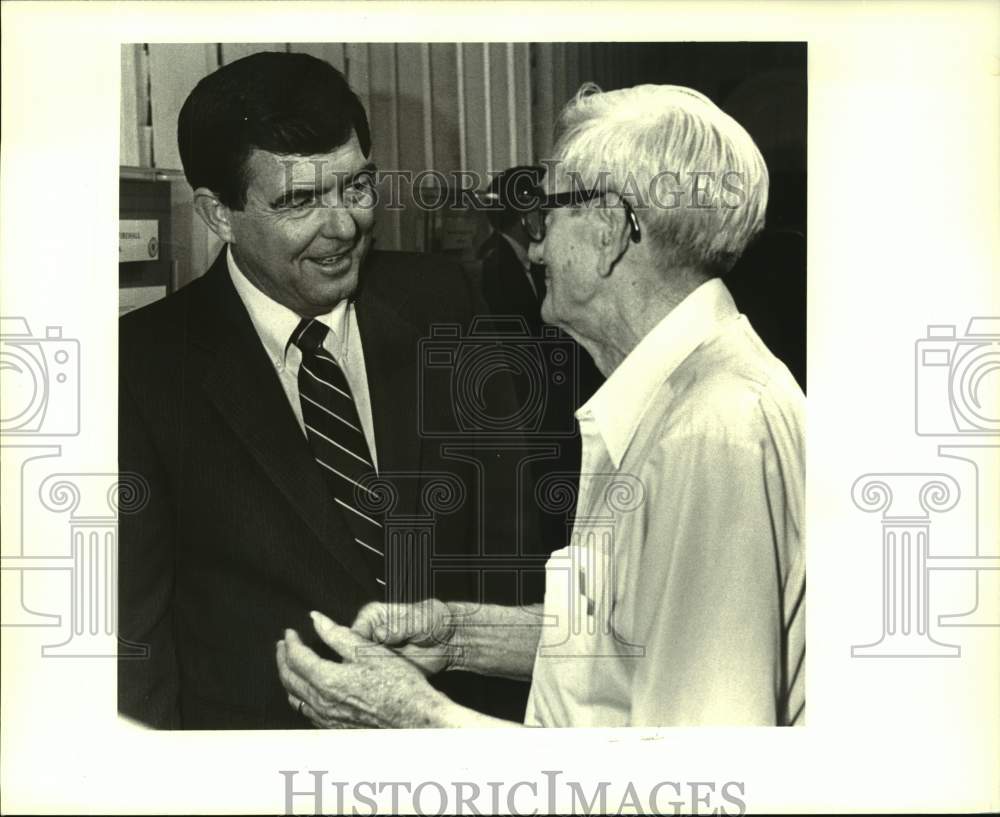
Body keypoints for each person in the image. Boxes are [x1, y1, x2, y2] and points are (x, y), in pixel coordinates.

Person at [276, 83, 806, 727]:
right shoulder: (675, 400)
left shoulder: (710, 431)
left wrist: (415, 718)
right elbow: (627, 637)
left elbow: (697, 778)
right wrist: (460, 634)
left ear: (609, 230)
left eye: (546, 215)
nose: (535, 248)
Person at [118, 51, 531, 729]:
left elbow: (516, 546)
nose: (343, 226)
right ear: (218, 213)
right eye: (299, 200)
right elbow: (134, 651)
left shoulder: (446, 304)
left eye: (356, 186)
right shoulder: (142, 369)